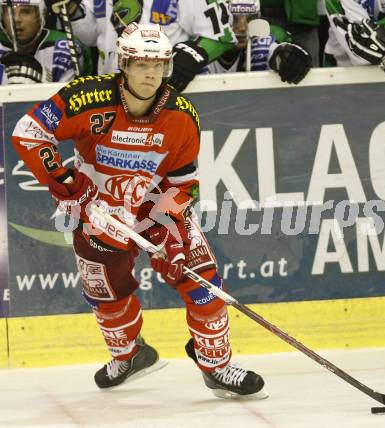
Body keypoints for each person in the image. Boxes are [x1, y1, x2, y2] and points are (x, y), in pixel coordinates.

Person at [11, 23, 267, 399]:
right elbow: (28, 131)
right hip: (96, 210)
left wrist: (173, 234)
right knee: (106, 296)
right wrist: (69, 185)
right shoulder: (86, 97)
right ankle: (131, 355)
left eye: (159, 65)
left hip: (154, 209)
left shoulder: (182, 116)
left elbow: (182, 186)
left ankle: (216, 365)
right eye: (142, 64)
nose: (151, 74)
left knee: (203, 284)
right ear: (124, 63)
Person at [54, 0, 237, 91]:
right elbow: (93, 35)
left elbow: (221, 38)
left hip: (165, 92)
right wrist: (73, 10)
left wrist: (185, 60)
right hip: (112, 91)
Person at [207, 0, 312, 84]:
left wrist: (290, 57)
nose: (243, 27)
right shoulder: (197, 39)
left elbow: (282, 52)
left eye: (250, 18)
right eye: (233, 18)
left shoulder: (266, 38)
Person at [0, 0, 92, 84]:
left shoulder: (64, 49)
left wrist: (44, 79)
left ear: (41, 16)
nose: (16, 19)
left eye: (25, 12)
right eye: (9, 12)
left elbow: (68, 98)